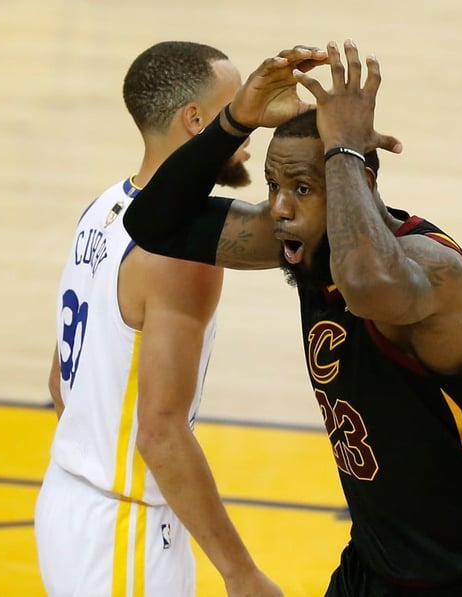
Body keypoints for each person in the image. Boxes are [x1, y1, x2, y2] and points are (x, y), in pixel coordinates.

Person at [124, 39, 462, 596]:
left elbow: (367, 285)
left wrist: (343, 148)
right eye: (274, 187)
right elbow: (152, 221)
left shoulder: (431, 269)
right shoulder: (300, 241)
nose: (280, 208)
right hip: (376, 567)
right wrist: (236, 118)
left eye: (301, 188)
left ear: (359, 183)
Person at [34, 41, 322, 597]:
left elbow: (60, 382)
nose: (251, 124)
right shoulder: (180, 255)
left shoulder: (102, 208)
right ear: (197, 121)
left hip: (69, 503)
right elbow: (162, 433)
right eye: (236, 106)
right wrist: (240, 573)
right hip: (121, 531)